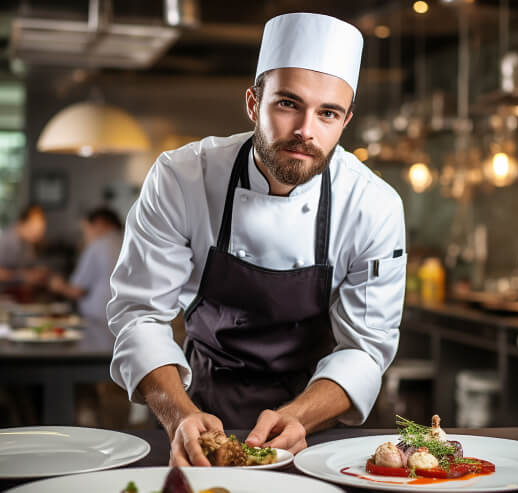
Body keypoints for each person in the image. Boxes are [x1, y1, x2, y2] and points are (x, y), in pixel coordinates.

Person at [108, 12, 407, 466]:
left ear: (346, 120)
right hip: (197, 405)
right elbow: (139, 316)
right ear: (253, 103)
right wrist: (178, 415)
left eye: (327, 113)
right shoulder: (183, 178)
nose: (306, 130)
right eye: (288, 104)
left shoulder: (373, 206)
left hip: (316, 422)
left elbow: (366, 349)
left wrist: (299, 417)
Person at [50, 207, 122, 323]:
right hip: (128, 317)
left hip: (100, 318)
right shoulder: (130, 242)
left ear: (99, 224)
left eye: (85, 230)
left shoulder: (98, 246)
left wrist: (57, 285)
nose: (85, 236)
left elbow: (77, 290)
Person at [0, 204, 49, 289]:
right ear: (22, 223)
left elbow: (28, 267)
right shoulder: (5, 240)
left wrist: (37, 272)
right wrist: (22, 277)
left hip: (17, 292)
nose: (39, 235)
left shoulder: (27, 243)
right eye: (35, 229)